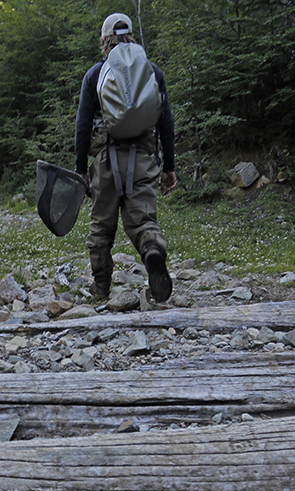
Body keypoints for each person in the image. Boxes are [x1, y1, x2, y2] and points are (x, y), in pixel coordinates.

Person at [75, 12, 177, 302]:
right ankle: (153, 252)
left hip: (105, 161)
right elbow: (166, 121)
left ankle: (101, 287)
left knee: (101, 227)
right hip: (143, 158)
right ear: (132, 36)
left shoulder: (96, 74)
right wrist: (168, 166)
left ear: (105, 40)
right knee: (143, 222)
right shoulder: (152, 71)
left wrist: (81, 167)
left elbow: (82, 125)